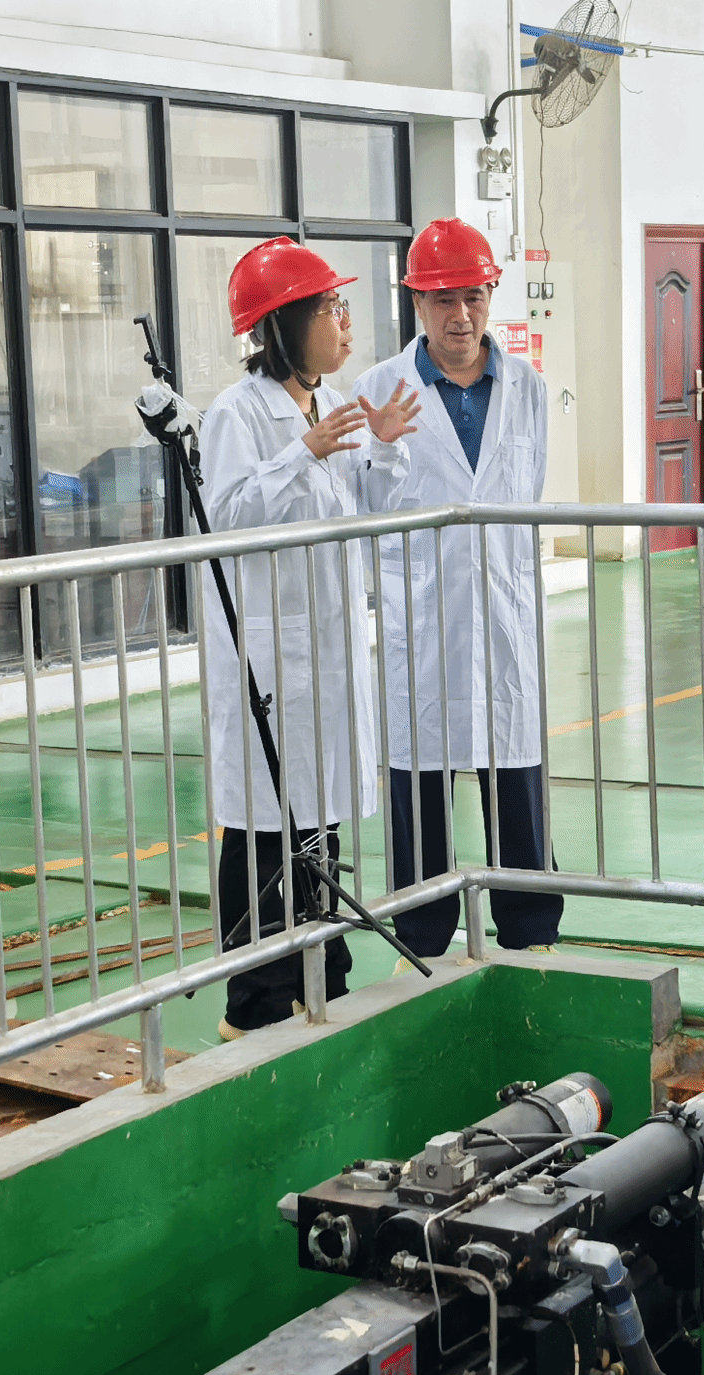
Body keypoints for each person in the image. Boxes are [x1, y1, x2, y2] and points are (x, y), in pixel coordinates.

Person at [199, 236, 421, 1039]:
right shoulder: (237, 414)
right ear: (283, 325)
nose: (344, 321)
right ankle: (255, 999)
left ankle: (322, 972)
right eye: (330, 308)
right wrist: (301, 453)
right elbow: (225, 517)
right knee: (264, 827)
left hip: (325, 653)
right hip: (270, 654)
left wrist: (383, 447)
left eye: (341, 305)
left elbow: (367, 503)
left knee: (317, 820)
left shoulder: (330, 406)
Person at [352, 217, 562, 962]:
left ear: (491, 295)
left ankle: (531, 932)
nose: (461, 316)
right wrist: (381, 447)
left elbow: (528, 488)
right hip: (423, 614)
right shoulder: (378, 390)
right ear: (417, 304)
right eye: (443, 300)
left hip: (504, 605)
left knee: (516, 776)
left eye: (473, 297)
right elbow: (364, 509)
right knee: (421, 786)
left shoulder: (527, 387)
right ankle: (423, 937)